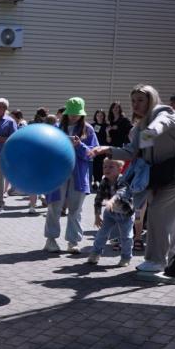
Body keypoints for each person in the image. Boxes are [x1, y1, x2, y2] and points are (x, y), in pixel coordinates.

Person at [91, 84, 175, 273]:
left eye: (140, 100)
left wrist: (149, 131)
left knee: (157, 213)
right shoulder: (141, 126)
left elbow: (162, 124)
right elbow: (131, 152)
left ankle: (156, 261)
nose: (135, 104)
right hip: (159, 177)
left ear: (151, 100)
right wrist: (107, 149)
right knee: (170, 220)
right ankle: (171, 260)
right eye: (133, 101)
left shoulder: (163, 112)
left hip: (173, 176)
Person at [44, 97, 99, 254]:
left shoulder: (88, 129)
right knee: (54, 206)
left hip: (78, 175)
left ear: (82, 114)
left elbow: (92, 153)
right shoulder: (56, 128)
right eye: (71, 113)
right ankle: (50, 240)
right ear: (66, 113)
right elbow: (47, 150)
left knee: (75, 209)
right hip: (58, 173)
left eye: (77, 113)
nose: (74, 116)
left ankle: (73, 242)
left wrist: (79, 145)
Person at [87, 159, 134, 267]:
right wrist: (97, 215)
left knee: (126, 237)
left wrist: (111, 201)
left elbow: (120, 193)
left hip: (125, 213)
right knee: (102, 234)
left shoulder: (123, 180)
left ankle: (126, 257)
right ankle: (95, 253)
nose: (107, 169)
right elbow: (98, 199)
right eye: (105, 167)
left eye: (111, 167)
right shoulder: (104, 181)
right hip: (110, 213)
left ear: (120, 169)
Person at [90, 109, 109, 190]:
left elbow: (109, 140)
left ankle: (101, 182)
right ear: (95, 116)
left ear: (104, 116)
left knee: (102, 165)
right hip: (94, 148)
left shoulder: (107, 126)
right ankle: (95, 181)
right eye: (98, 115)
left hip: (103, 149)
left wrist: (107, 132)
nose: (99, 117)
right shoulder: (92, 126)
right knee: (94, 166)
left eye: (101, 115)